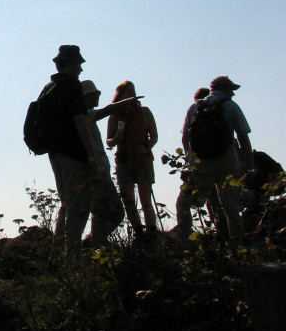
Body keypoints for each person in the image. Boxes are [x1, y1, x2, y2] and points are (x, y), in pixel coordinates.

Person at [39, 46, 131, 259]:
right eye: (79, 64)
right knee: (80, 208)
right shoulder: (70, 86)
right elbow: (80, 120)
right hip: (75, 156)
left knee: (69, 205)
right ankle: (73, 259)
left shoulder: (48, 88)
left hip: (56, 155)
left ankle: (59, 256)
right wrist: (91, 156)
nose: (81, 68)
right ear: (70, 64)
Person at [175, 75, 253, 245]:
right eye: (231, 89)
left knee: (184, 203)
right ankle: (237, 247)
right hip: (227, 162)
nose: (233, 93)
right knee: (230, 205)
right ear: (224, 89)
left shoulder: (195, 107)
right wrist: (248, 164)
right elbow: (243, 138)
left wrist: (191, 159)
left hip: (201, 164)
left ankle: (187, 245)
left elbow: (185, 138)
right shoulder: (231, 106)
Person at [106, 80, 158, 237]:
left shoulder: (144, 112)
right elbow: (108, 140)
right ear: (120, 94)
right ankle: (138, 234)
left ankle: (151, 233)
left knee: (146, 201)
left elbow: (154, 136)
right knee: (129, 203)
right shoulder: (114, 116)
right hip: (123, 161)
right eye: (128, 91)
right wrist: (116, 138)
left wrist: (147, 147)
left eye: (133, 90)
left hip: (143, 159)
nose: (132, 94)